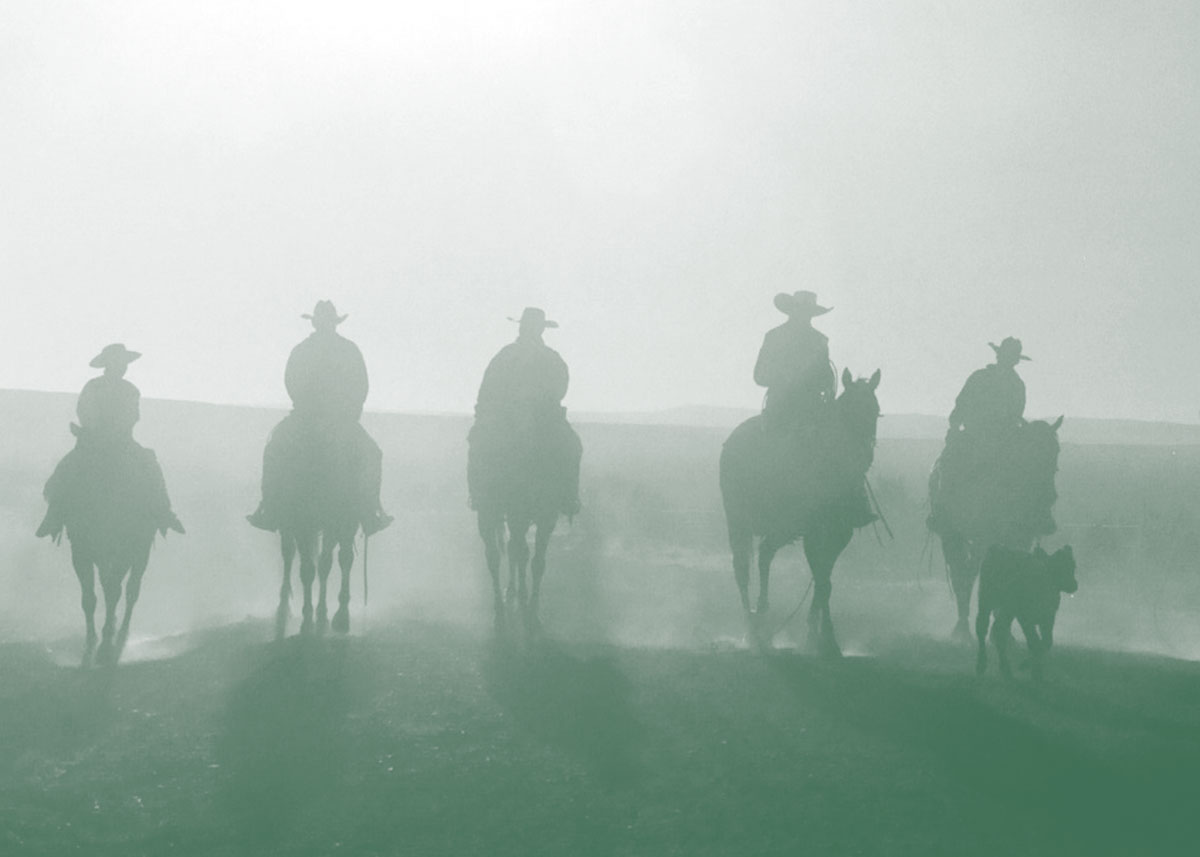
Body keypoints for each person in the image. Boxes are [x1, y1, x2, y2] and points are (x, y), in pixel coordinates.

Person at [247, 301, 393, 535]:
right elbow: (361, 386)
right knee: (372, 454)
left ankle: (269, 508)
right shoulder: (348, 350)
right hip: (336, 420)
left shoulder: (303, 350)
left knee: (274, 449)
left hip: (311, 419)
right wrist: (350, 411)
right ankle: (372, 511)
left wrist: (309, 406)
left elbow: (291, 382)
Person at [36, 344, 184, 540]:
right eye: (120, 363)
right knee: (66, 469)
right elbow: (85, 411)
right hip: (95, 441)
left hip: (118, 441)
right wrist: (96, 429)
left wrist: (112, 430)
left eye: (124, 363)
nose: (123, 367)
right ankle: (54, 515)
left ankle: (164, 512)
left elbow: (133, 416)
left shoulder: (130, 390)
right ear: (109, 364)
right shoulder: (95, 386)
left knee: (150, 463)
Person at [468, 307, 582, 515]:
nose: (524, 330)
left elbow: (560, 388)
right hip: (510, 416)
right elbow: (488, 389)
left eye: (528, 326)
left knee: (572, 446)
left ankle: (568, 496)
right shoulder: (515, 356)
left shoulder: (544, 358)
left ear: (538, 329)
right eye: (524, 326)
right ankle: (478, 495)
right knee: (477, 442)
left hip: (538, 417)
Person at [929, 337, 1031, 533]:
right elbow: (961, 406)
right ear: (1001, 356)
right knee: (948, 464)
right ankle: (942, 513)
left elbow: (1016, 415)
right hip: (977, 438)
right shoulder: (985, 379)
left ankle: (1034, 515)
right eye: (1007, 356)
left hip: (999, 440)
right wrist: (955, 426)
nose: (1008, 360)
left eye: (1011, 357)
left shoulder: (1012, 384)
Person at [754, 290, 836, 431]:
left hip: (809, 409)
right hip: (781, 409)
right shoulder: (775, 337)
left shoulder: (819, 341)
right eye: (801, 311)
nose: (803, 316)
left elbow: (827, 379)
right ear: (792, 311)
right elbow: (760, 376)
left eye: (806, 312)